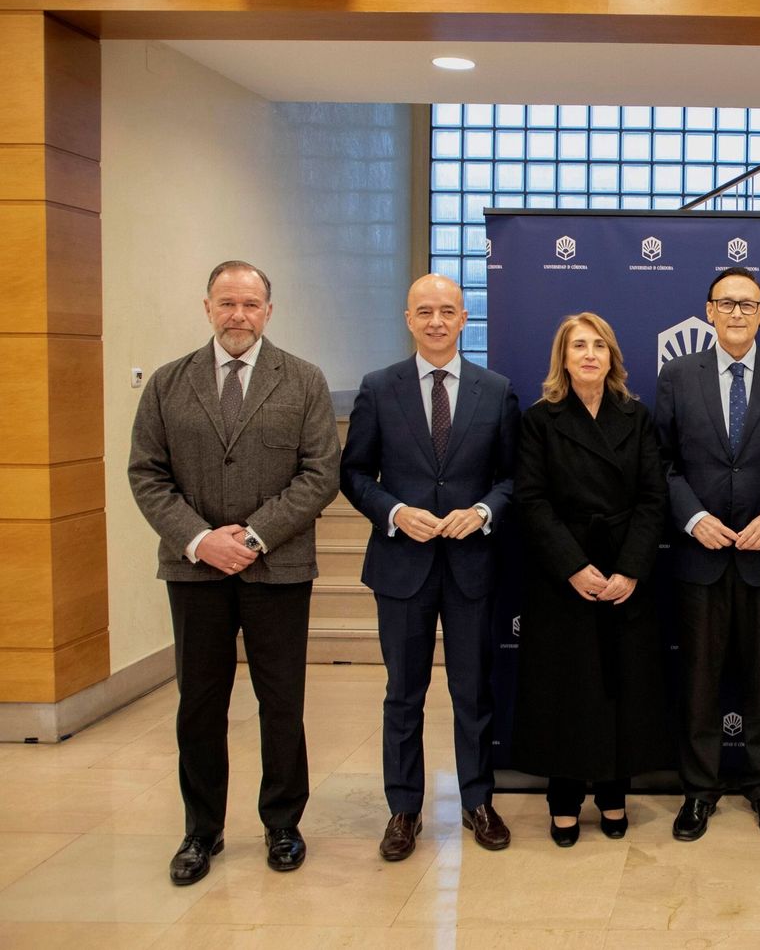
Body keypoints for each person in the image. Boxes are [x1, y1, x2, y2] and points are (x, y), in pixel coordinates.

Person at [128, 260, 339, 885]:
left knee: (281, 702)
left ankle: (282, 823)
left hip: (277, 568)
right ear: (207, 308)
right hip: (195, 572)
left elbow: (319, 473)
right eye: (227, 303)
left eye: (250, 304)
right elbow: (147, 474)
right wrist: (199, 539)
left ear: (269, 311)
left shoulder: (303, 380)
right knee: (199, 704)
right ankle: (201, 830)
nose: (238, 315)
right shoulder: (169, 384)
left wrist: (251, 536)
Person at [339, 274, 520, 862]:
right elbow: (354, 474)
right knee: (403, 694)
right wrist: (392, 512)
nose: (436, 321)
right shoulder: (377, 387)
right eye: (425, 311)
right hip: (401, 565)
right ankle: (403, 810)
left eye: (447, 310)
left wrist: (485, 511)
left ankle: (477, 800)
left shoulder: (496, 391)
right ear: (408, 318)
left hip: (471, 564)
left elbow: (514, 478)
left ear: (465, 318)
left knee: (472, 692)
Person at [655, 268, 760, 841]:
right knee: (698, 681)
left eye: (748, 303)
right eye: (726, 303)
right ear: (709, 310)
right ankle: (699, 793)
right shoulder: (677, 376)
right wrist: (693, 518)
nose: (737, 313)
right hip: (698, 557)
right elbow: (663, 463)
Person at [511, 312, 671, 846]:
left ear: (612, 356)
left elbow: (654, 497)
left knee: (619, 687)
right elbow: (530, 500)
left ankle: (613, 793)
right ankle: (562, 799)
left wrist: (629, 569)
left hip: (624, 570)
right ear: (563, 357)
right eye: (578, 345)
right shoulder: (539, 419)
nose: (589, 354)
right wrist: (573, 566)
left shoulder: (637, 415)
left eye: (599, 345)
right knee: (566, 689)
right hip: (564, 574)